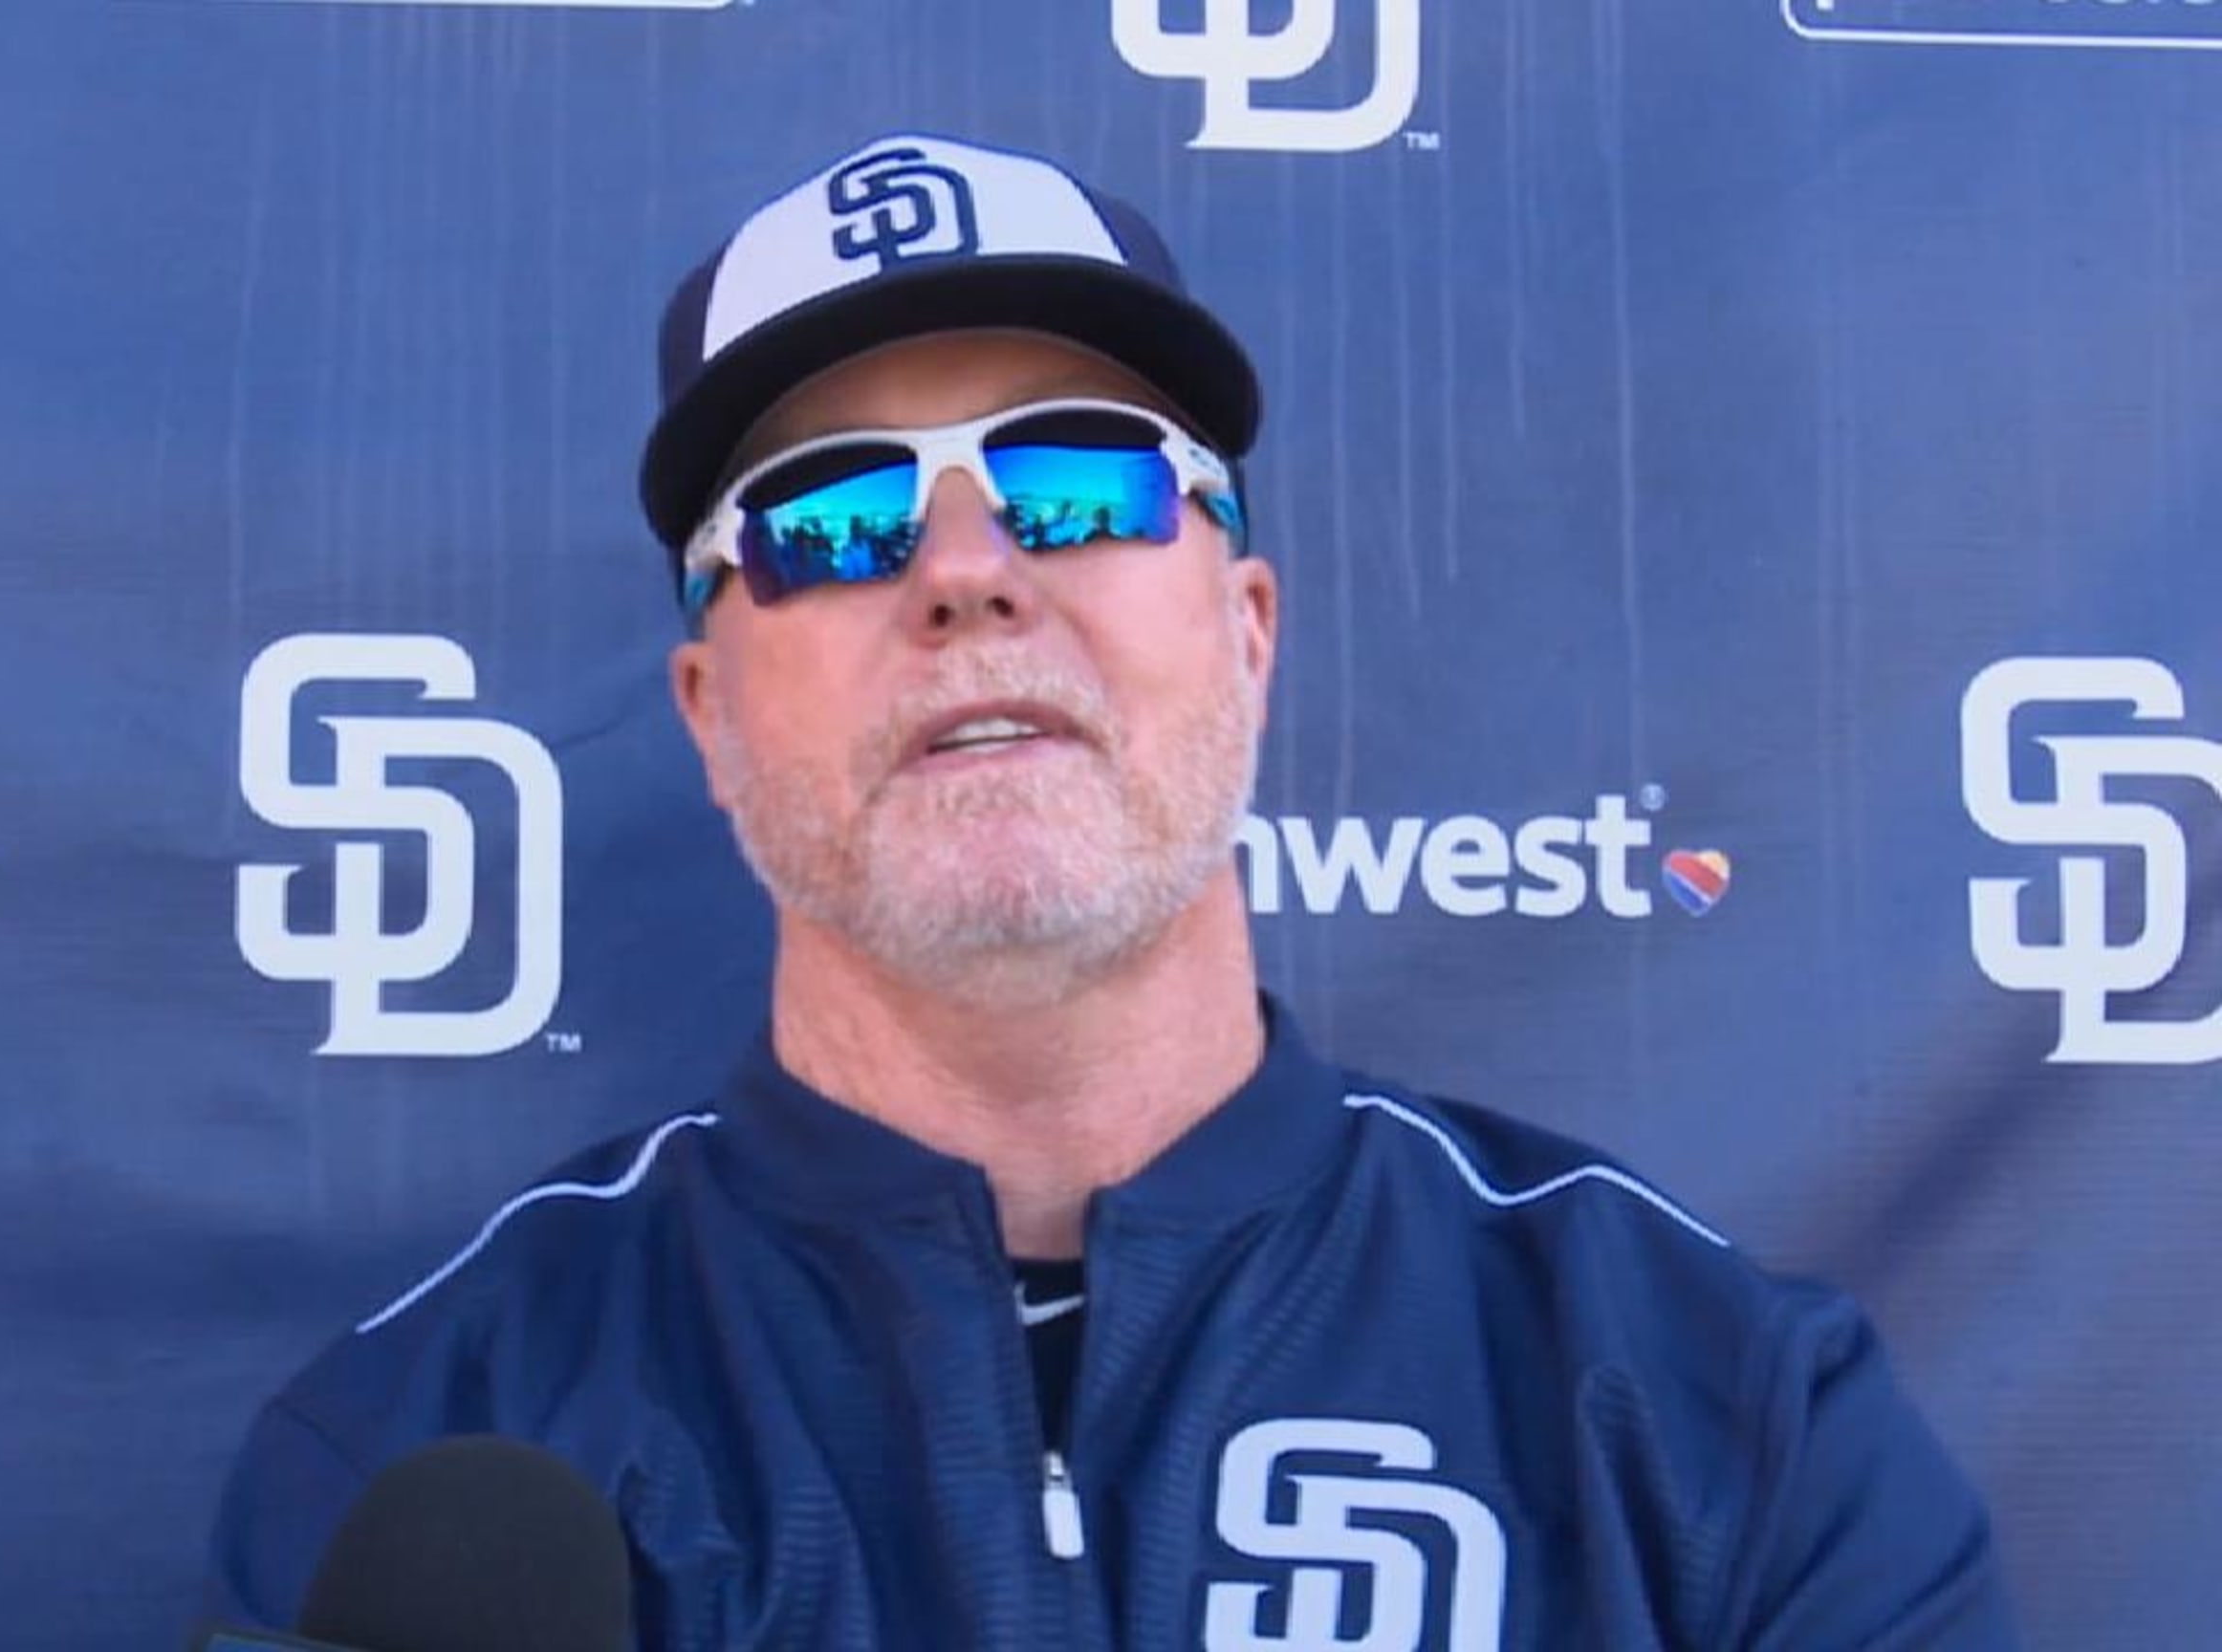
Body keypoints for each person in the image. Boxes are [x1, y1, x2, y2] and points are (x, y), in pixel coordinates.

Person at [207, 133, 2016, 1650]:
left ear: (1246, 630)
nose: (967, 573)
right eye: (828, 518)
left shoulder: (1713, 1413)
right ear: (709, 708)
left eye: (1079, 483)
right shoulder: (430, 1440)